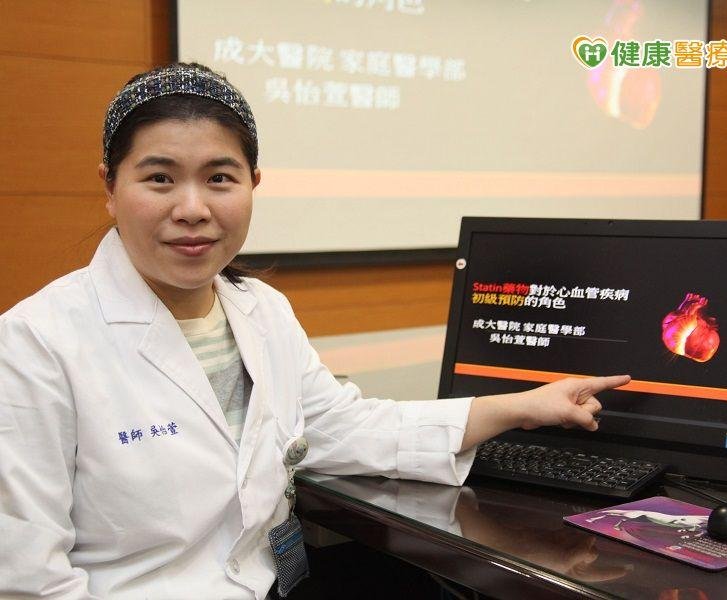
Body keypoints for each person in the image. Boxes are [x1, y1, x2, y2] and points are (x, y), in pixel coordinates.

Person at [0, 63, 630, 599]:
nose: (192, 209)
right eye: (159, 178)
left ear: (253, 185)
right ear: (110, 187)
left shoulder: (262, 311)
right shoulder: (35, 344)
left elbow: (345, 427)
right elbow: (28, 580)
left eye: (220, 178)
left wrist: (523, 407)